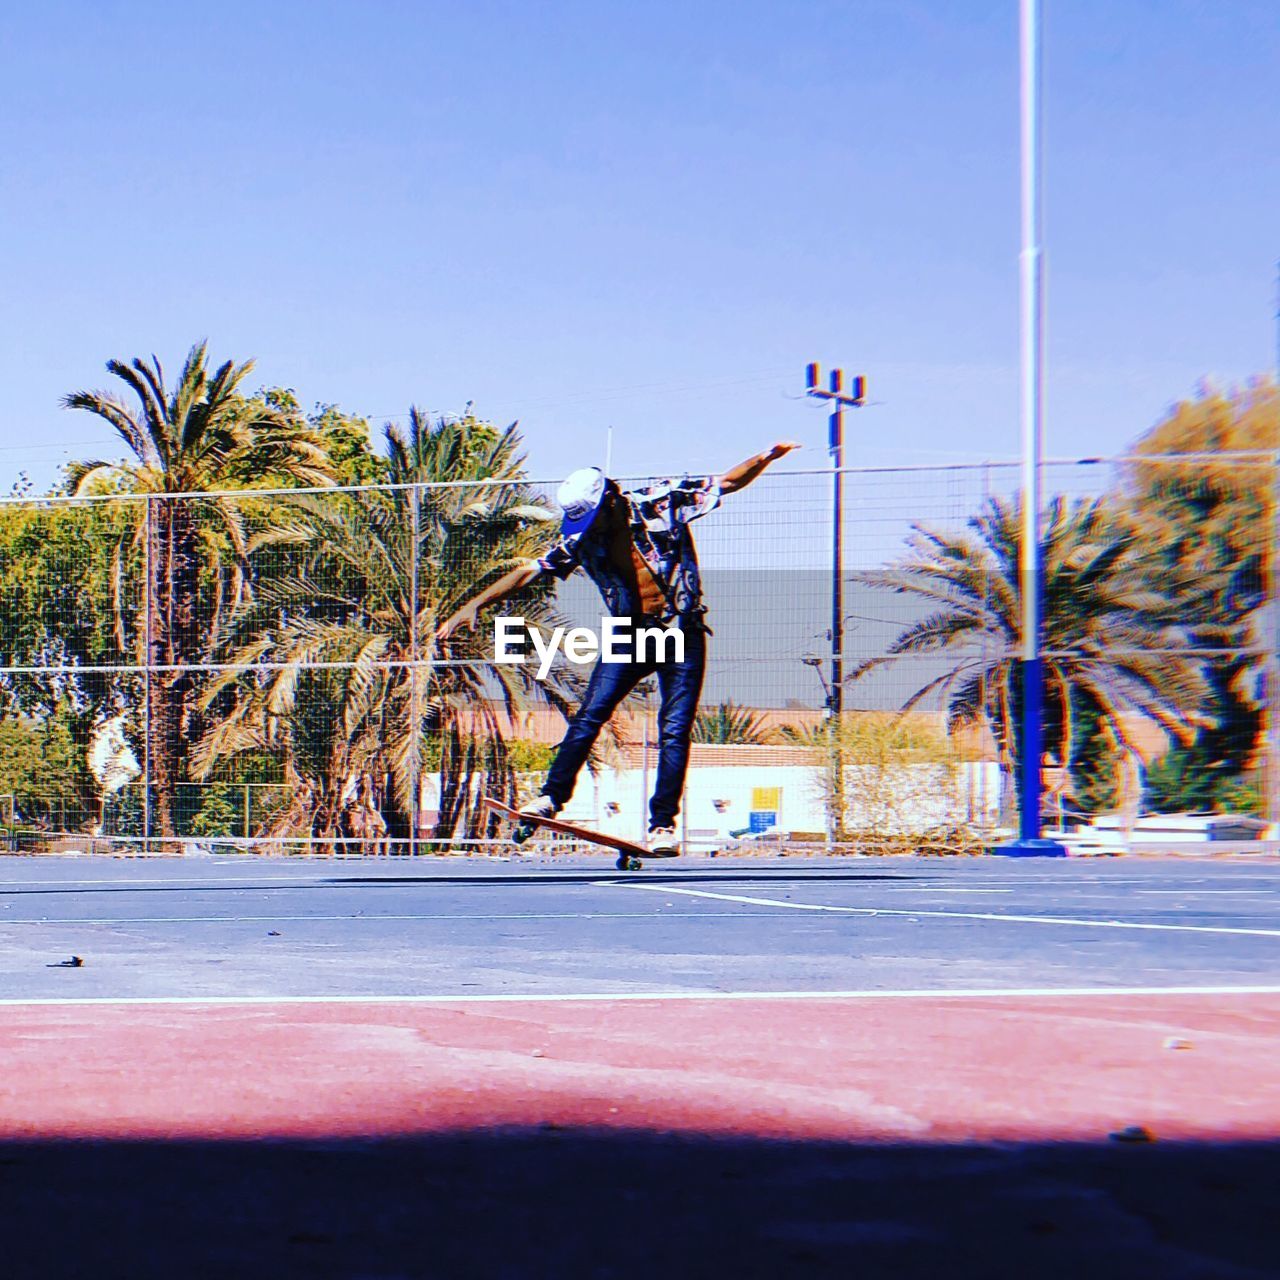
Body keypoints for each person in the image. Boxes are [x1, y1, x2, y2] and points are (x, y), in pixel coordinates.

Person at [435, 441, 801, 854]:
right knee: (590, 714)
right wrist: (474, 604)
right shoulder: (582, 541)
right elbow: (530, 571)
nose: (590, 532)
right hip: (630, 634)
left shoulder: (662, 502)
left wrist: (765, 459)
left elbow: (728, 482)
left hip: (681, 629)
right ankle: (552, 796)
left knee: (675, 728)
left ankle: (662, 825)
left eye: (594, 520)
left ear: (611, 499)